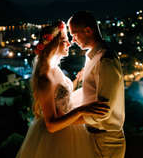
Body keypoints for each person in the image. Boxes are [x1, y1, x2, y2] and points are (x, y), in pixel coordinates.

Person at [16, 20, 109, 158]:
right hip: (56, 138)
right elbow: (51, 125)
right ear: (54, 44)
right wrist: (82, 110)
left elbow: (60, 97)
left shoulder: (54, 69)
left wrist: (78, 79)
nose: (69, 43)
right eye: (65, 40)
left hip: (69, 128)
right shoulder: (45, 77)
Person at [68, 11, 126, 158]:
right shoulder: (92, 57)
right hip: (96, 137)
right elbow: (89, 95)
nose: (73, 40)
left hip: (106, 140)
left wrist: (66, 121)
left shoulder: (105, 60)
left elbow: (103, 111)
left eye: (74, 34)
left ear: (88, 30)